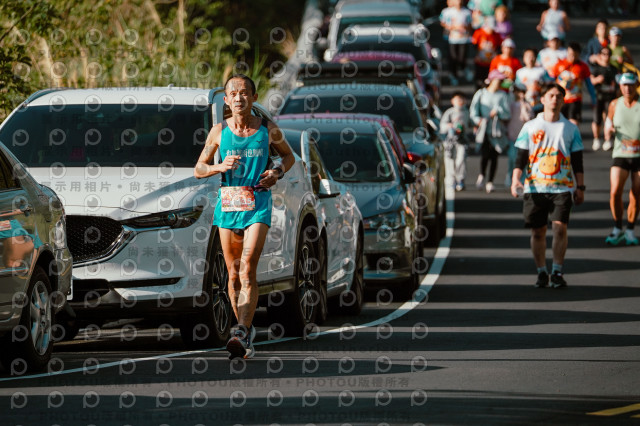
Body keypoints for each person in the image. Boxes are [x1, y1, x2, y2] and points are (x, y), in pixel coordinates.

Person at [194, 74, 295, 359]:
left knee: (248, 266)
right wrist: (219, 166)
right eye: (233, 94)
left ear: (253, 97)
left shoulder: (267, 129)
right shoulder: (218, 132)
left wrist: (276, 172)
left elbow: (289, 157)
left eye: (244, 93)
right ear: (226, 100)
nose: (239, 98)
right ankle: (244, 331)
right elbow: (199, 168)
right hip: (229, 203)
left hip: (258, 201)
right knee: (233, 272)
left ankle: (240, 330)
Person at [511, 83, 585, 288]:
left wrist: (580, 187)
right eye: (551, 95)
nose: (555, 99)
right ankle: (542, 271)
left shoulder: (570, 128)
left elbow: (577, 161)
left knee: (560, 228)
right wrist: (515, 179)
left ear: (563, 101)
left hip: (562, 187)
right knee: (538, 232)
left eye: (559, 96)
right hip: (535, 187)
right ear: (542, 99)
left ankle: (557, 271)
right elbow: (521, 156)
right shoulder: (530, 127)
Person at [604, 72, 640, 246]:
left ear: (637, 85)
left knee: (637, 192)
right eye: (625, 85)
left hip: (639, 156)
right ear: (620, 86)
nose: (628, 89)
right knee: (615, 191)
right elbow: (608, 123)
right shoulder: (614, 104)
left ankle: (630, 229)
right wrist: (608, 132)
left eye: (631, 85)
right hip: (621, 154)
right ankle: (617, 227)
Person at [470, 69, 511, 193]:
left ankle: (490, 181)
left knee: (494, 155)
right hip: (483, 129)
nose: (500, 83)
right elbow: (474, 111)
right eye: (498, 80)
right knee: (485, 153)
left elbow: (507, 114)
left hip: (496, 130)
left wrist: (498, 112)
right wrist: (478, 121)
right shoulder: (481, 93)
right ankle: (482, 174)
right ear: (492, 80)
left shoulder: (503, 95)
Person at [549, 42, 594, 127]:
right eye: (570, 54)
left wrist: (593, 98)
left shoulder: (583, 66)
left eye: (575, 55)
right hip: (560, 99)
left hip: (575, 99)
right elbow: (551, 81)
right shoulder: (559, 64)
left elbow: (589, 83)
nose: (572, 57)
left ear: (578, 55)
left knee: (574, 123)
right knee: (559, 122)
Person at [441, 91, 472, 191]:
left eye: (462, 99)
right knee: (450, 160)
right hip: (450, 141)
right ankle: (451, 180)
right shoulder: (449, 112)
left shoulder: (466, 112)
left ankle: (460, 179)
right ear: (452, 101)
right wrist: (449, 126)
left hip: (462, 140)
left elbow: (471, 123)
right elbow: (442, 126)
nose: (460, 101)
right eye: (458, 99)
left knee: (461, 159)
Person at [589, 47, 618, 151]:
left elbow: (618, 83)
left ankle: (608, 139)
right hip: (598, 96)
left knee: (609, 119)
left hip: (610, 97)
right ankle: (596, 139)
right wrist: (597, 80)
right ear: (600, 55)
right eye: (604, 54)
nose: (606, 56)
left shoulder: (614, 69)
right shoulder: (596, 68)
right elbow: (591, 80)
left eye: (608, 54)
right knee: (597, 119)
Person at [505, 83, 534, 187]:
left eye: (522, 92)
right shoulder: (510, 104)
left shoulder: (527, 105)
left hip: (524, 137)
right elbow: (506, 116)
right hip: (512, 135)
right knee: (512, 158)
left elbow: (529, 118)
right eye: (517, 92)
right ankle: (510, 176)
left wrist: (524, 106)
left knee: (524, 158)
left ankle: (522, 179)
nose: (520, 94)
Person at [440, 0, 473, 86]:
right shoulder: (447, 11)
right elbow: (443, 22)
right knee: (452, 57)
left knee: (462, 57)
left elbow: (470, 24)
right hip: (451, 39)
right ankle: (453, 75)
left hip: (463, 39)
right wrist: (452, 27)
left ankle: (464, 68)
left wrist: (464, 28)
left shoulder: (466, 12)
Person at [516, 47, 553, 111]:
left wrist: (540, 85)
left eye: (532, 56)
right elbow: (517, 87)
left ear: (536, 58)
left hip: (540, 103)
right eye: (527, 56)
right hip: (524, 105)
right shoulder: (520, 72)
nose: (530, 59)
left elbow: (549, 84)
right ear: (524, 58)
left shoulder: (542, 71)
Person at [471, 17, 502, 88]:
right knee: (479, 81)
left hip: (491, 63)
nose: (492, 30)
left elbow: (499, 47)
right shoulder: (479, 33)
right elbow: (474, 46)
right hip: (480, 62)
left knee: (488, 81)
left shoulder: (496, 35)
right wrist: (476, 56)